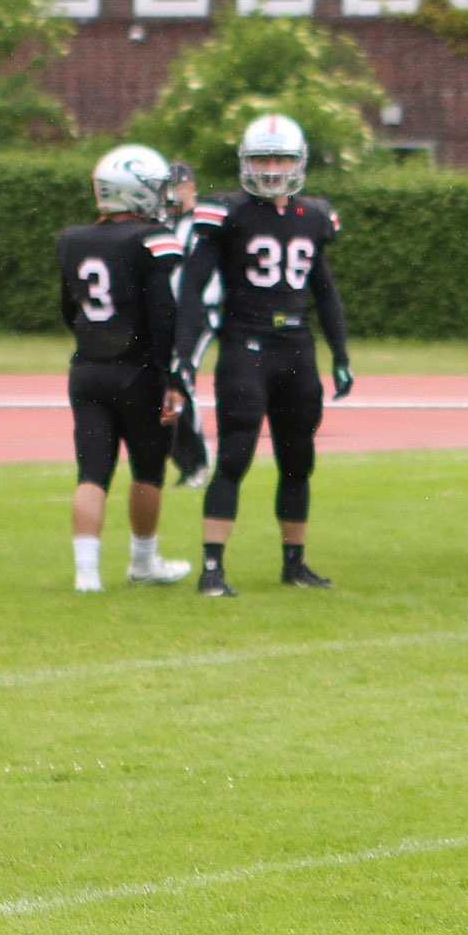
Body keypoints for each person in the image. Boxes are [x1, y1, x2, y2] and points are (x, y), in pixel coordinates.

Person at [174, 113, 352, 598]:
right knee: (235, 454)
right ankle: (212, 568)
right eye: (262, 158)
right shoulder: (227, 212)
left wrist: (340, 353)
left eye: (281, 158)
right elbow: (193, 284)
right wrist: (183, 354)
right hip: (246, 345)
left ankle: (295, 563)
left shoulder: (315, 216)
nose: (272, 168)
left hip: (297, 347)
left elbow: (326, 290)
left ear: (299, 162)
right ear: (244, 163)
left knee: (299, 459)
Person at [55, 145, 193, 592]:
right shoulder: (151, 240)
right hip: (139, 372)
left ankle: (86, 574)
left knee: (92, 473)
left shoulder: (72, 240)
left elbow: (67, 310)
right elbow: (164, 313)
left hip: (87, 369)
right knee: (147, 469)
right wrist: (172, 375)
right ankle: (143, 562)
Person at [164, 160, 218, 491]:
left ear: (189, 186)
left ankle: (197, 459)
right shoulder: (170, 224)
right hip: (173, 313)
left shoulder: (198, 224)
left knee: (180, 377)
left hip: (198, 311)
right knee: (168, 382)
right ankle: (185, 459)